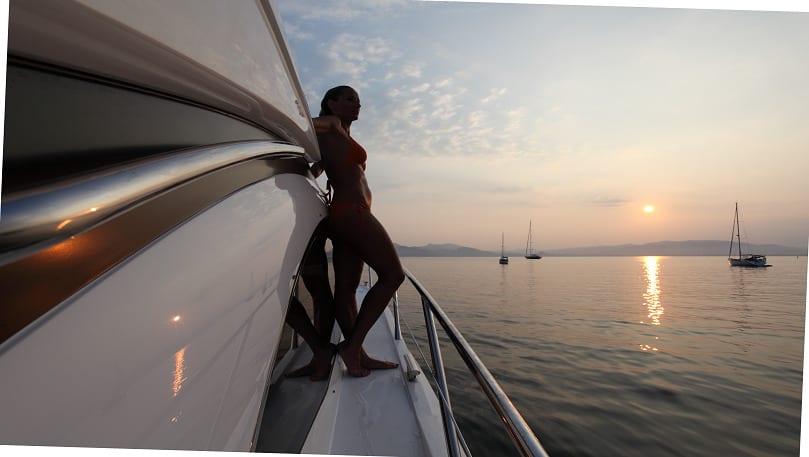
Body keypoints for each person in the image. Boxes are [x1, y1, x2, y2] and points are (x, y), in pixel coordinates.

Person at [312, 85, 405, 377]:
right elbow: (299, 123)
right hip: (351, 212)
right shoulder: (329, 123)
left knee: (348, 288)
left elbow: (320, 166)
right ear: (332, 103)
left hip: (350, 214)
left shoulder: (342, 133)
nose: (357, 104)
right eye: (349, 98)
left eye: (359, 100)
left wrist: (317, 169)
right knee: (393, 275)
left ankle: (358, 355)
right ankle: (352, 348)